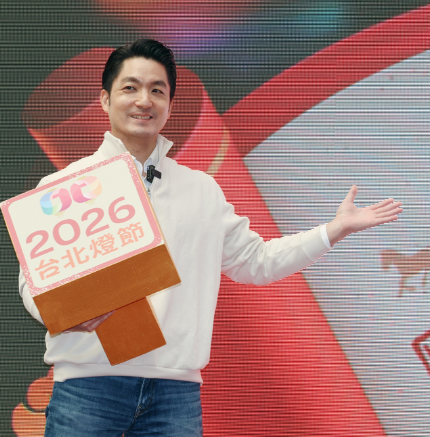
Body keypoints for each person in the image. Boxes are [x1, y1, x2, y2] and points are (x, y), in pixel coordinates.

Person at [18, 39, 402, 436]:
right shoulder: (61, 188)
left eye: (157, 91)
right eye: (130, 88)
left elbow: (256, 262)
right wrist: (69, 309)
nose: (144, 101)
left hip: (175, 391)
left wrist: (333, 230)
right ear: (104, 100)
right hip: (89, 384)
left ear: (169, 105)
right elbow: (32, 286)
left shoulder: (200, 188)